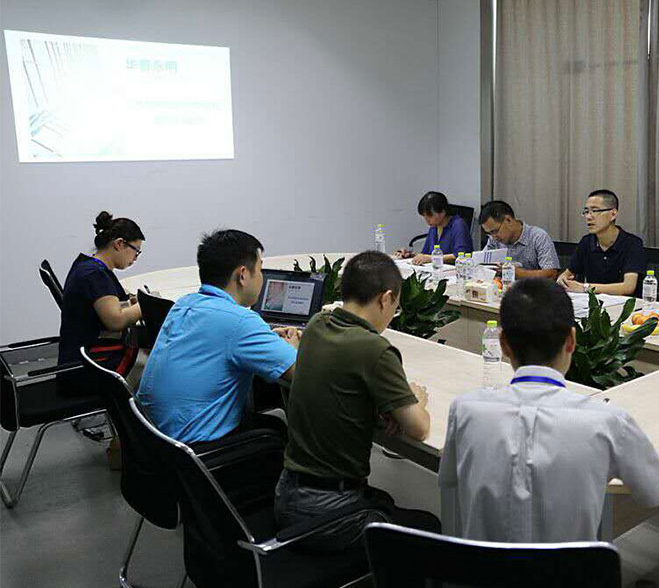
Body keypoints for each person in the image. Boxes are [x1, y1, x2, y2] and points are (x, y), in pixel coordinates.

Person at [439, 278, 659, 542]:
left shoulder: (465, 410)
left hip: (482, 569)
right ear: (571, 340)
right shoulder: (608, 421)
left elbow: (449, 482)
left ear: (503, 344)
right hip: (571, 570)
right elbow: (657, 494)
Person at [275, 250, 440, 552]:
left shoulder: (316, 325)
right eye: (395, 307)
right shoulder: (374, 349)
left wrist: (378, 407)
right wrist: (416, 399)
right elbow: (418, 429)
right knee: (429, 525)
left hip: (288, 493)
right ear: (386, 298)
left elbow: (339, 386)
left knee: (386, 500)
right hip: (326, 512)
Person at [136, 230, 299, 445]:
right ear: (242, 275)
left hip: (152, 436)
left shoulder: (185, 303)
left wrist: (266, 339)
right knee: (277, 426)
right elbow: (301, 373)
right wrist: (293, 346)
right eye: (260, 269)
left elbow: (216, 343)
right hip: (193, 447)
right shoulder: (240, 321)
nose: (262, 277)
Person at [58, 211, 144, 378]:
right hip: (90, 363)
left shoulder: (87, 264)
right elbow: (116, 321)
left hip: (80, 354)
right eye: (136, 251)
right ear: (119, 244)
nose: (135, 258)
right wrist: (144, 306)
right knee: (155, 363)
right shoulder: (95, 275)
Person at [557, 190, 646, 296]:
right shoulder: (586, 242)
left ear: (613, 214)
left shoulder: (632, 243)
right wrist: (562, 279)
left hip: (624, 304)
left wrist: (586, 287)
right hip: (593, 302)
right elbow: (568, 273)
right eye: (586, 212)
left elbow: (628, 287)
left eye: (595, 211)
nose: (588, 217)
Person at [478, 200, 559, 279]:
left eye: (495, 231)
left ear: (508, 220)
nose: (494, 237)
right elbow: (482, 265)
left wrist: (517, 273)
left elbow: (551, 274)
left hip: (532, 287)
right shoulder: (493, 240)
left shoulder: (538, 237)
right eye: (489, 233)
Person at [395, 191, 473, 265]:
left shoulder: (458, 225)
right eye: (424, 217)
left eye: (430, 216)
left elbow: (461, 255)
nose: (427, 220)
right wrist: (410, 255)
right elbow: (426, 253)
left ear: (442, 212)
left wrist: (433, 258)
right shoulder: (434, 227)